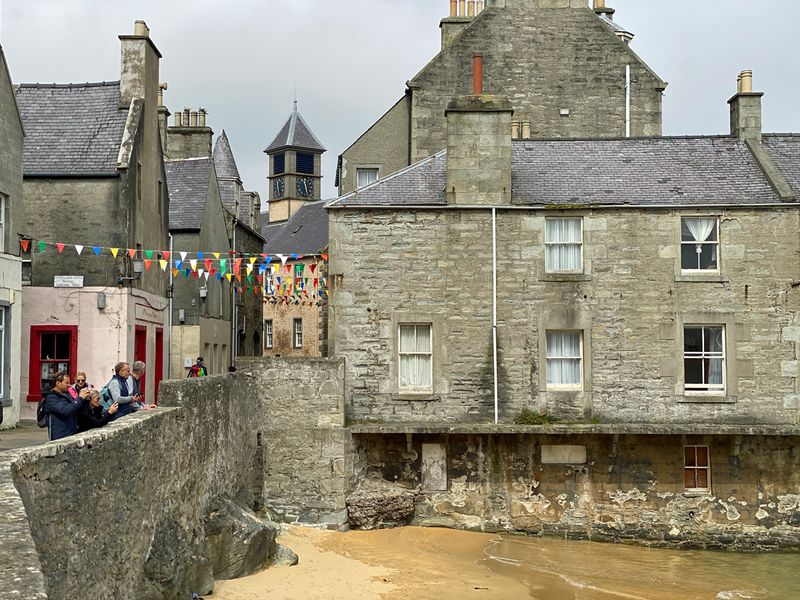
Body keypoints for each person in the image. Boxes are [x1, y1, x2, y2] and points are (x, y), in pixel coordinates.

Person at [43, 371, 88, 441]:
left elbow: (76, 408)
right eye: (66, 383)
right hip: (60, 435)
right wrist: (80, 398)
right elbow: (65, 411)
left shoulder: (67, 394)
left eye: (69, 383)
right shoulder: (51, 398)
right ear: (58, 383)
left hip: (71, 432)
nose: (69, 385)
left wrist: (85, 400)